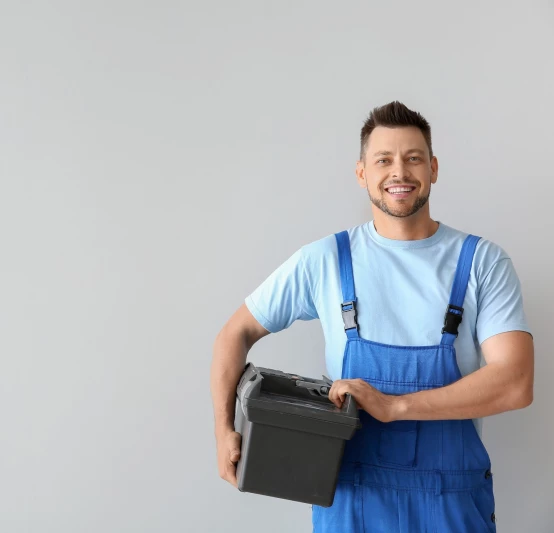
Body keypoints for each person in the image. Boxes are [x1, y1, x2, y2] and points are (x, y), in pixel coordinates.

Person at [210, 101, 534, 532]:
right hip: (350, 501)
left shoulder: (481, 263)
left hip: (452, 506)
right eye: (384, 160)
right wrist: (223, 428)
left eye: (413, 158)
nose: (399, 172)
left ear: (433, 168)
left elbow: (515, 382)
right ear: (362, 172)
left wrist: (395, 406)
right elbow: (234, 333)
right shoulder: (326, 260)